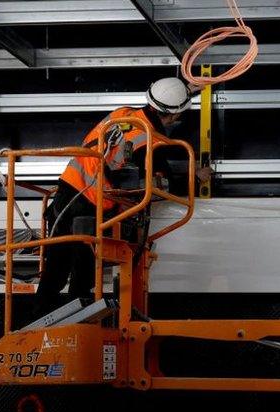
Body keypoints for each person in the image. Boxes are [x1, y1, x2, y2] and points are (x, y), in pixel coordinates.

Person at [33, 77, 207, 317]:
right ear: (174, 116)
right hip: (92, 209)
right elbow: (165, 186)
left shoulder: (122, 114)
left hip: (67, 193)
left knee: (54, 271)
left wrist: (185, 90)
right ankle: (73, 331)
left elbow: (164, 102)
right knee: (83, 278)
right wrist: (197, 178)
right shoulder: (150, 142)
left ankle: (37, 323)